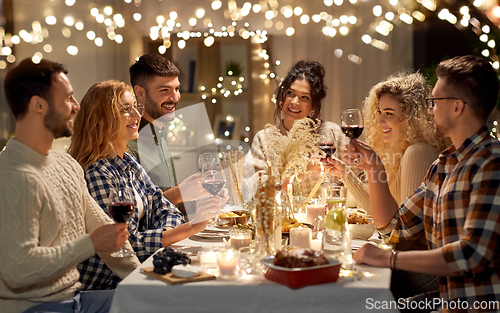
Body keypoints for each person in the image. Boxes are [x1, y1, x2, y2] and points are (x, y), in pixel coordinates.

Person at [351, 55, 500, 311]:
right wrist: (374, 167)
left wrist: (388, 258)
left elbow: (472, 256)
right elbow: (395, 229)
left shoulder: (490, 163)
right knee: (361, 300)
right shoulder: (444, 165)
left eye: (434, 102)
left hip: (478, 306)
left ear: (457, 107)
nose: (429, 109)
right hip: (447, 302)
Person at [0, 58, 139, 313]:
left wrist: (145, 280)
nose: (76, 106)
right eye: (68, 98)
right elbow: (17, 269)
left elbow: (106, 231)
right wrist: (91, 244)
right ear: (38, 105)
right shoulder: (13, 175)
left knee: (164, 304)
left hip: (76, 300)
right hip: (36, 308)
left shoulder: (66, 164)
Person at [69, 80, 223, 290]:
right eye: (125, 109)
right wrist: (193, 226)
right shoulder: (98, 172)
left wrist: (167, 230)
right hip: (109, 285)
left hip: (136, 273)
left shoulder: (129, 162)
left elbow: (164, 207)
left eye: (136, 107)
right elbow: (126, 246)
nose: (136, 115)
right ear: (102, 119)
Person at [329, 72, 449, 299]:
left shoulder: (418, 152)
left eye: (389, 114)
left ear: (413, 118)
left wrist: (372, 168)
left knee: (349, 282)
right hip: (409, 260)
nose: (380, 121)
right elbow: (383, 217)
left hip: (425, 274)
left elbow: (400, 237)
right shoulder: (397, 151)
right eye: (380, 113)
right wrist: (346, 174)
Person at [127, 54, 208, 215]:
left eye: (177, 89)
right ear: (140, 93)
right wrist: (179, 193)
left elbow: (168, 206)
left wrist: (203, 203)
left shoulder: (160, 136)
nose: (175, 97)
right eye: (165, 90)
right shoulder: (128, 144)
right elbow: (133, 213)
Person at [249, 60, 348, 188]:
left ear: (313, 105)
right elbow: (259, 191)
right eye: (290, 93)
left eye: (304, 97)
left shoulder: (331, 134)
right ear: (282, 95)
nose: (295, 102)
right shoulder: (263, 139)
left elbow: (353, 180)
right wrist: (300, 173)